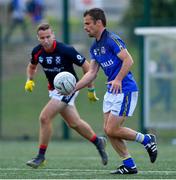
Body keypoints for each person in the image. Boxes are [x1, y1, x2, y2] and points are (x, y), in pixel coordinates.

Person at [75, 8, 158, 174]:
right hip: (112, 91)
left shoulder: (112, 39)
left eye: (88, 23)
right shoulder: (95, 47)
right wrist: (74, 88)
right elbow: (92, 73)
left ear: (99, 23)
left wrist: (118, 79)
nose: (85, 27)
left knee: (112, 129)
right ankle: (129, 164)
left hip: (125, 88)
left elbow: (129, 60)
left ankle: (147, 139)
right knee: (108, 130)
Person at [25, 22, 108, 168]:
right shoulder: (37, 51)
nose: (46, 40)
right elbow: (32, 66)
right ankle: (98, 141)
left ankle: (41, 157)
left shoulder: (65, 50)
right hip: (53, 90)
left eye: (48, 37)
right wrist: (30, 80)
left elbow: (87, 66)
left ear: (53, 36)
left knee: (44, 118)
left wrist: (90, 88)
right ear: (38, 38)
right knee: (74, 123)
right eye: (42, 38)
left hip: (70, 89)